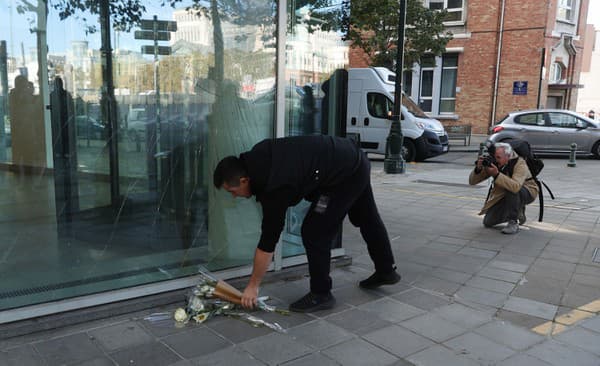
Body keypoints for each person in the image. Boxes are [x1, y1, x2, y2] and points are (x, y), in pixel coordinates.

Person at [213, 135, 400, 313]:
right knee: (367, 217)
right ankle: (386, 271)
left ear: (244, 180)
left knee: (315, 231)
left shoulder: (273, 185)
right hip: (352, 159)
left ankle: (321, 294)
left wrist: (253, 286)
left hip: (345, 174)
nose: (234, 196)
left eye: (232, 191)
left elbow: (268, 241)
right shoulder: (257, 157)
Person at [469, 142, 538, 234]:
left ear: (508, 156)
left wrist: (496, 174)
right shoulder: (495, 162)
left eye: (499, 157)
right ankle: (518, 210)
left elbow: (515, 187)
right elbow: (472, 182)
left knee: (511, 189)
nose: (496, 160)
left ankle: (513, 222)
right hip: (503, 193)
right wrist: (478, 169)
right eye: (495, 157)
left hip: (527, 191)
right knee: (488, 222)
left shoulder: (520, 163)